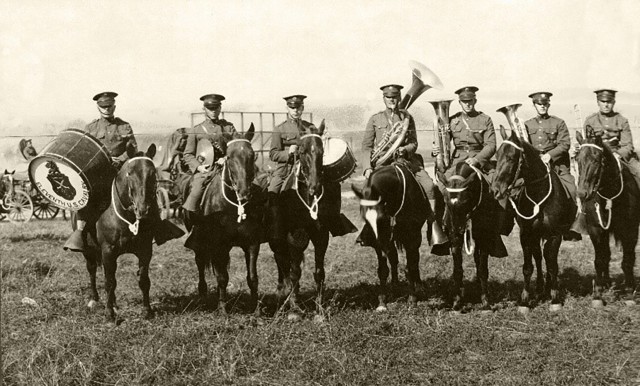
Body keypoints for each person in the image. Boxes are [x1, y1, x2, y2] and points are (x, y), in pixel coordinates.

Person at [64, 92, 183, 252]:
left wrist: (119, 159)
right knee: (87, 198)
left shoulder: (124, 126)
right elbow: (87, 151)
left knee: (145, 192)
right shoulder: (91, 128)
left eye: (109, 106)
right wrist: (104, 160)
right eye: (103, 106)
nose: (107, 109)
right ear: (98, 107)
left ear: (114, 106)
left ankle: (159, 228)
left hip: (121, 171)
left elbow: (132, 149)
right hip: (99, 173)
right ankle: (80, 233)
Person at [360, 84, 446, 247]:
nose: (392, 100)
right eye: (389, 97)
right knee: (368, 189)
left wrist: (404, 149)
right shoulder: (375, 119)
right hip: (382, 164)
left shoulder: (408, 118)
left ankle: (433, 225)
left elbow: (414, 143)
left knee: (429, 186)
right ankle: (369, 229)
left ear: (399, 98)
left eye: (395, 97)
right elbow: (366, 146)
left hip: (406, 162)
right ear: (384, 98)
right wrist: (367, 168)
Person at [524, 92, 581, 240]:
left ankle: (569, 227)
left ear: (548, 104)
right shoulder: (527, 124)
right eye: (539, 104)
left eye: (545, 104)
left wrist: (550, 155)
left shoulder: (558, 122)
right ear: (534, 105)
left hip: (556, 166)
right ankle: (515, 222)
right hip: (535, 168)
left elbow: (564, 144)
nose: (542, 106)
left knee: (572, 189)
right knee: (515, 189)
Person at [182, 94, 236, 213]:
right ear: (204, 109)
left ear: (220, 108)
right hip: (206, 170)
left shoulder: (228, 127)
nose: (213, 111)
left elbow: (235, 148)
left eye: (216, 108)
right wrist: (199, 167)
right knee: (196, 191)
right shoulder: (196, 130)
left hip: (227, 167)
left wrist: (226, 158)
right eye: (210, 109)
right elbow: (188, 154)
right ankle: (193, 222)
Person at [580, 89, 640, 187]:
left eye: (609, 102)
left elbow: (628, 145)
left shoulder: (622, 120)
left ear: (614, 102)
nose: (606, 105)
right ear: (598, 102)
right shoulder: (590, 121)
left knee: (638, 171)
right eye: (603, 102)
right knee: (584, 177)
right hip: (597, 156)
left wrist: (618, 154)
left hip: (619, 155)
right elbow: (588, 144)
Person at [437, 86, 496, 178]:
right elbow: (443, 142)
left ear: (475, 101)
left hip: (480, 160)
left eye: (470, 101)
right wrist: (436, 148)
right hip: (457, 161)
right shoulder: (452, 120)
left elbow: (491, 145)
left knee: (494, 185)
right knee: (441, 186)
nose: (467, 104)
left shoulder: (485, 119)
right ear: (460, 102)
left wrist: (476, 159)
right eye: (464, 102)